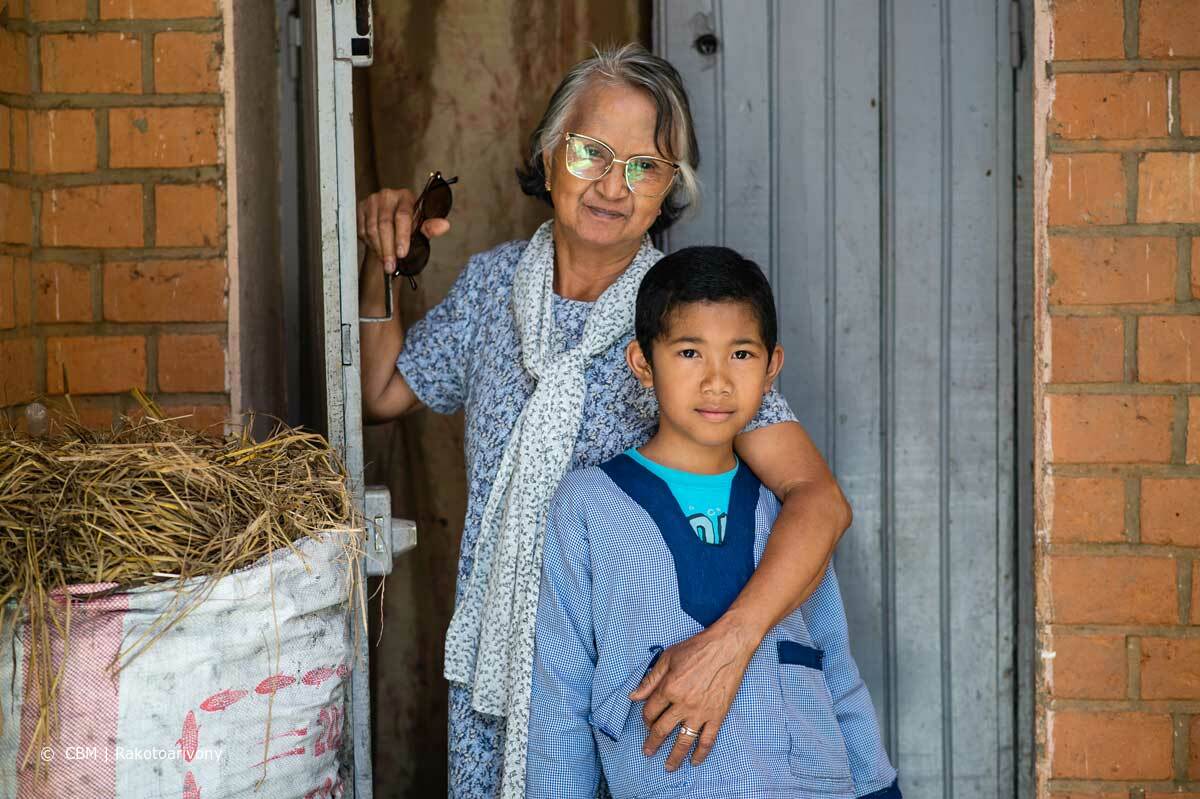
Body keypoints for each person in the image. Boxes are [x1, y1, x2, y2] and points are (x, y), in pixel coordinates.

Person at [356, 44, 853, 798]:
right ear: (550, 156)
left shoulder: (682, 316)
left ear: (667, 192)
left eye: (644, 166)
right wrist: (380, 262)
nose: (612, 186)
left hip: (640, 678)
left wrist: (726, 648)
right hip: (500, 670)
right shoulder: (495, 287)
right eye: (591, 152)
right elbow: (381, 391)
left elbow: (818, 500)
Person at [525, 247, 899, 799]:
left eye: (741, 354)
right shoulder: (587, 505)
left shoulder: (783, 510)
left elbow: (834, 666)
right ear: (642, 363)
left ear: (772, 367)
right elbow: (562, 693)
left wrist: (878, 790)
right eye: (690, 352)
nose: (717, 381)